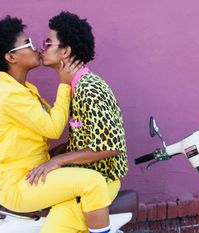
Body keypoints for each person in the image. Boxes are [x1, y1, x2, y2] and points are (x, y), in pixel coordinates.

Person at [0, 15, 113, 232]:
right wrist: (64, 84)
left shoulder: (26, 89)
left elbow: (50, 124)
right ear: (11, 57)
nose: (37, 49)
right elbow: (53, 128)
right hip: (18, 184)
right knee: (93, 182)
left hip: (32, 174)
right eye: (28, 44)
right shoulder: (9, 95)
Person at [27, 11, 128, 233]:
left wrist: (57, 161)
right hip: (80, 181)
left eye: (48, 42)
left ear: (65, 51)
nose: (42, 48)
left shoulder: (88, 88)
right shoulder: (74, 86)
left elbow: (110, 147)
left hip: (97, 184)